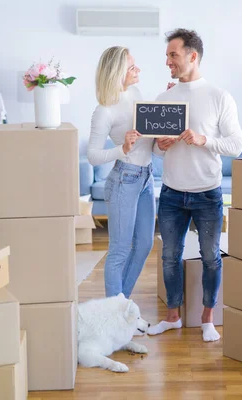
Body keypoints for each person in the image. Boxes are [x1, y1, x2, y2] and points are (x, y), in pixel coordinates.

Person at [147, 29, 242, 342]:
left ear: (192, 56)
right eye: (167, 55)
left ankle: (207, 319)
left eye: (172, 55)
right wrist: (161, 145)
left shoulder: (219, 96)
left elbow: (236, 146)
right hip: (172, 193)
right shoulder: (164, 98)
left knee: (211, 257)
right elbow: (154, 150)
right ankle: (173, 317)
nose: (167, 61)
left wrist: (204, 140)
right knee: (169, 257)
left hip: (207, 193)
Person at [87, 46, 156, 299]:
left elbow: (149, 133)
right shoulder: (104, 110)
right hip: (124, 179)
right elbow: (93, 156)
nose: (138, 70)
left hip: (146, 176)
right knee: (119, 250)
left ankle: (121, 308)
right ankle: (114, 315)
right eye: (132, 67)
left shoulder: (136, 93)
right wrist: (121, 148)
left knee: (145, 245)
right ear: (117, 73)